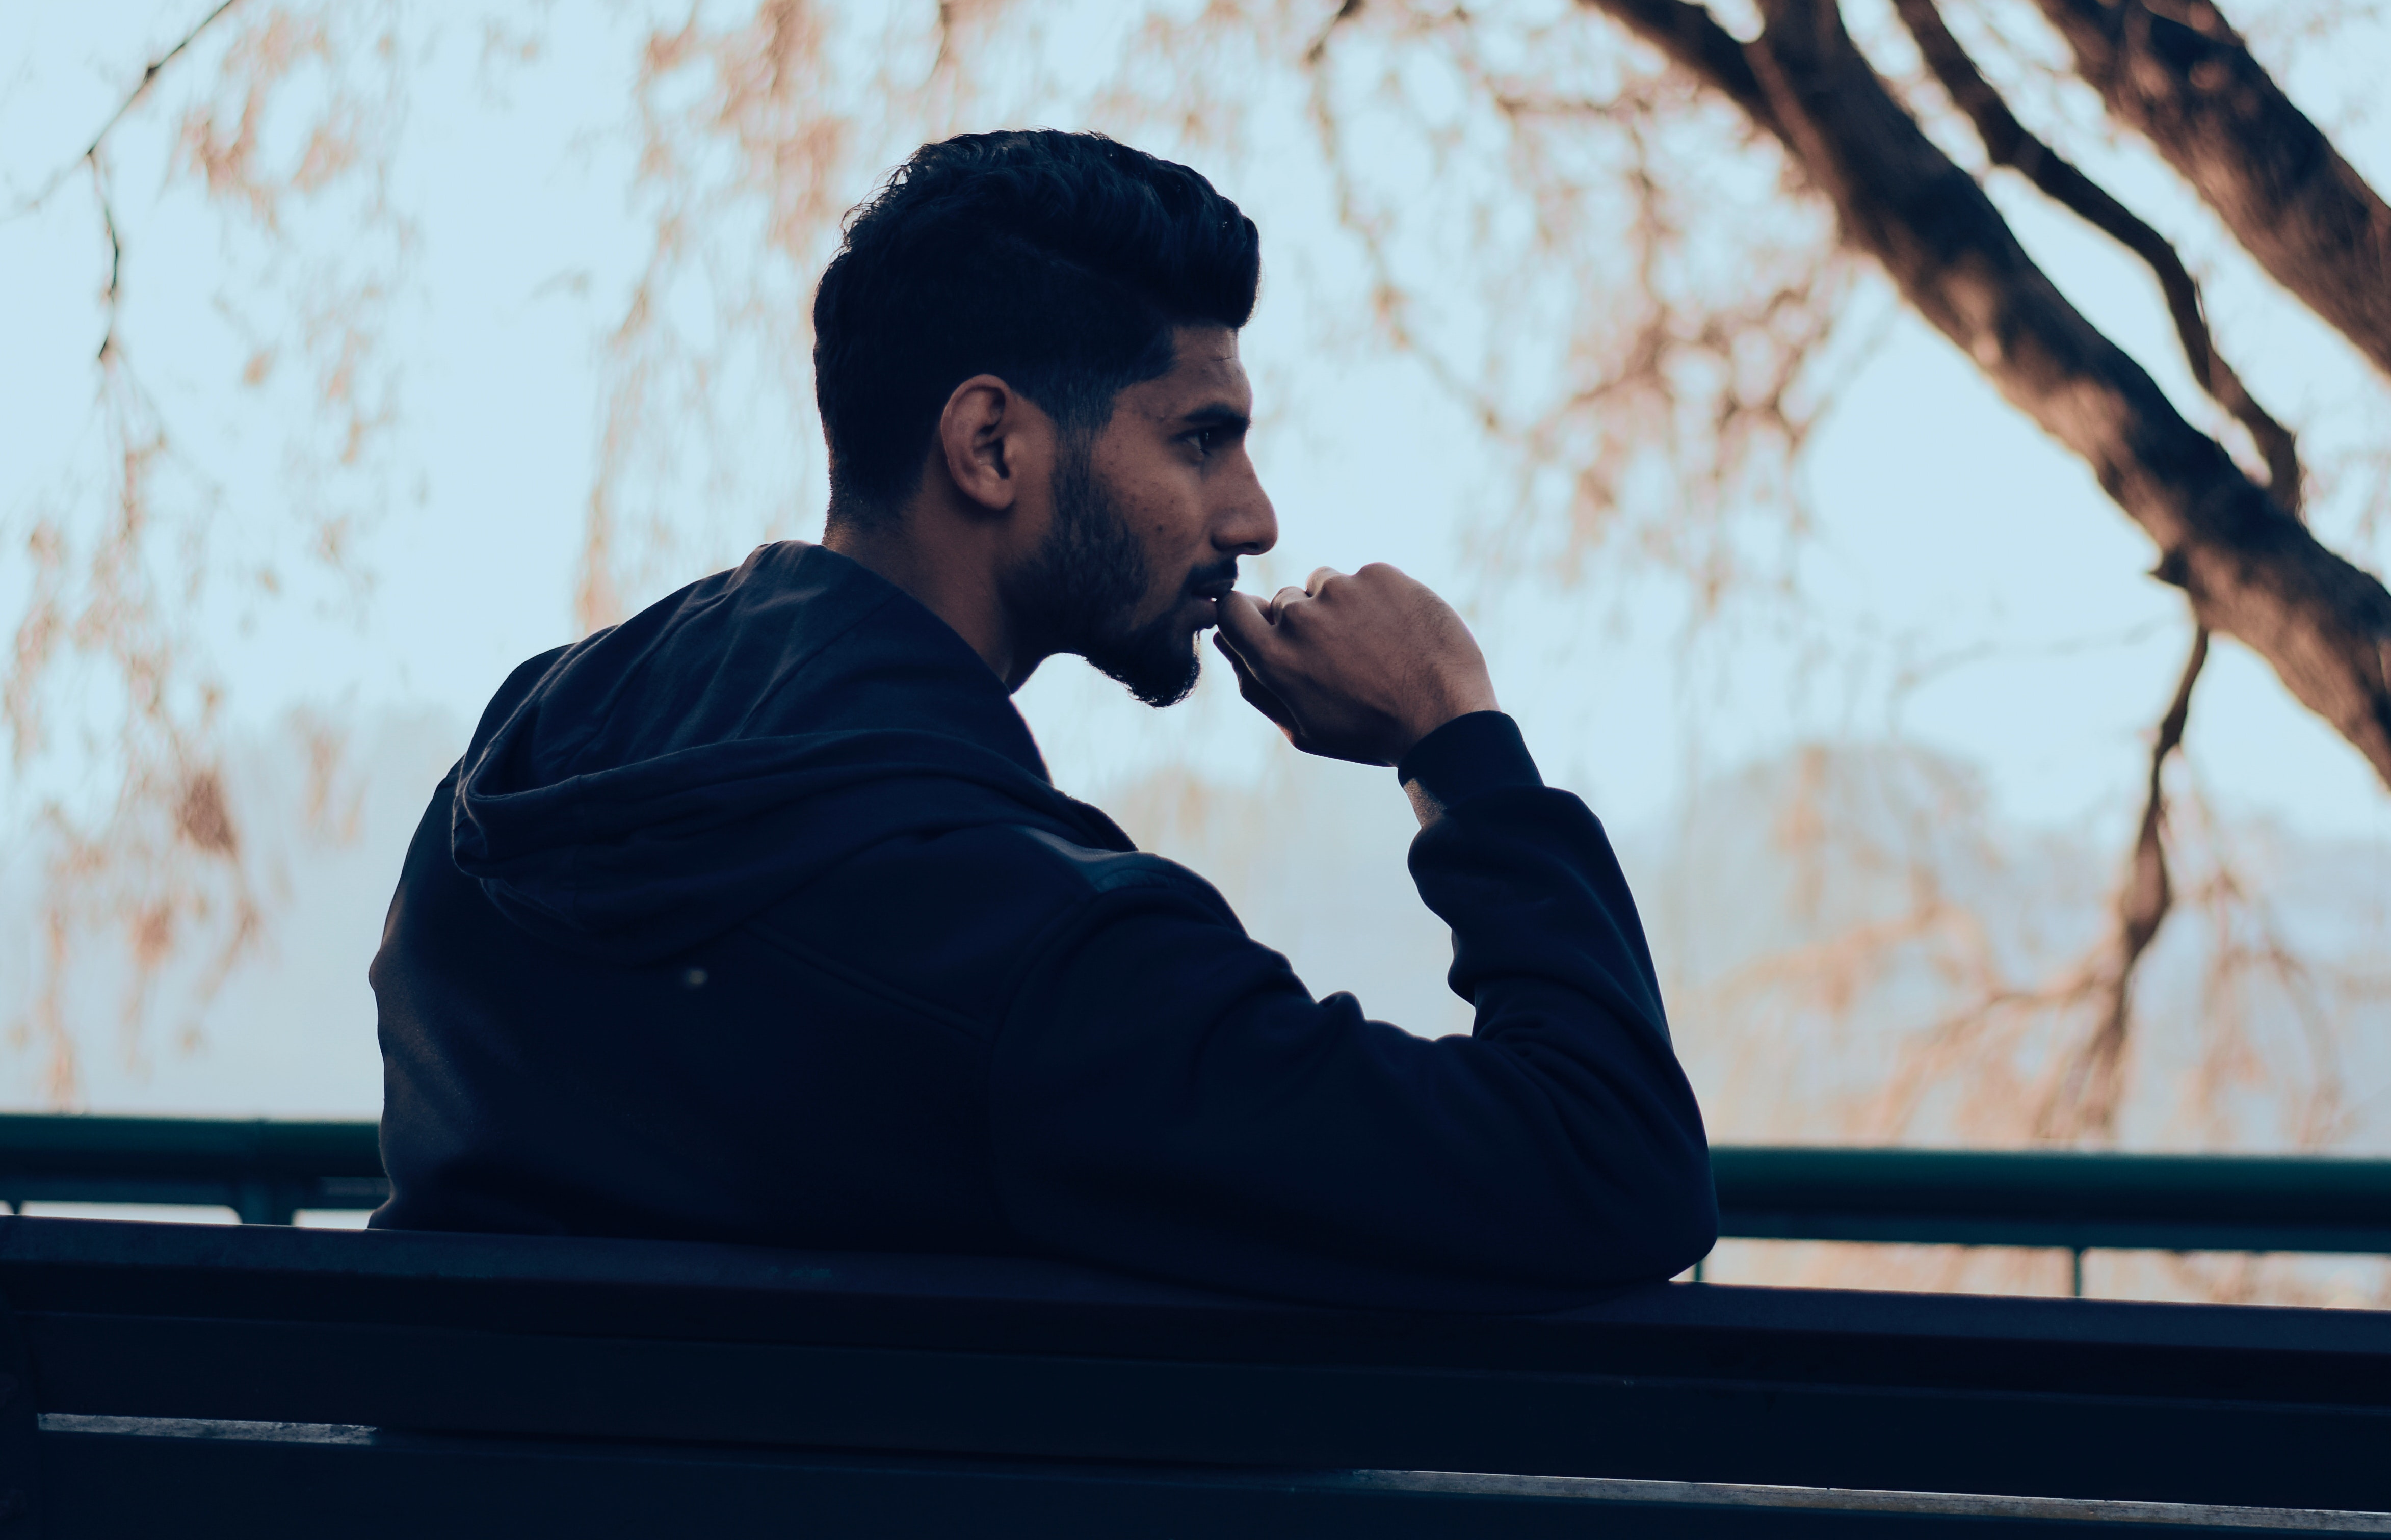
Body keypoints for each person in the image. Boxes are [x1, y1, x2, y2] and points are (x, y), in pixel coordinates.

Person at [366, 129, 1717, 1310]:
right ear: (993, 447)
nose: (1253, 518)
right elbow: (1609, 1166)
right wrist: (1456, 741)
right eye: (1201, 437)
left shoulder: (508, 784)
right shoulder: (1040, 966)